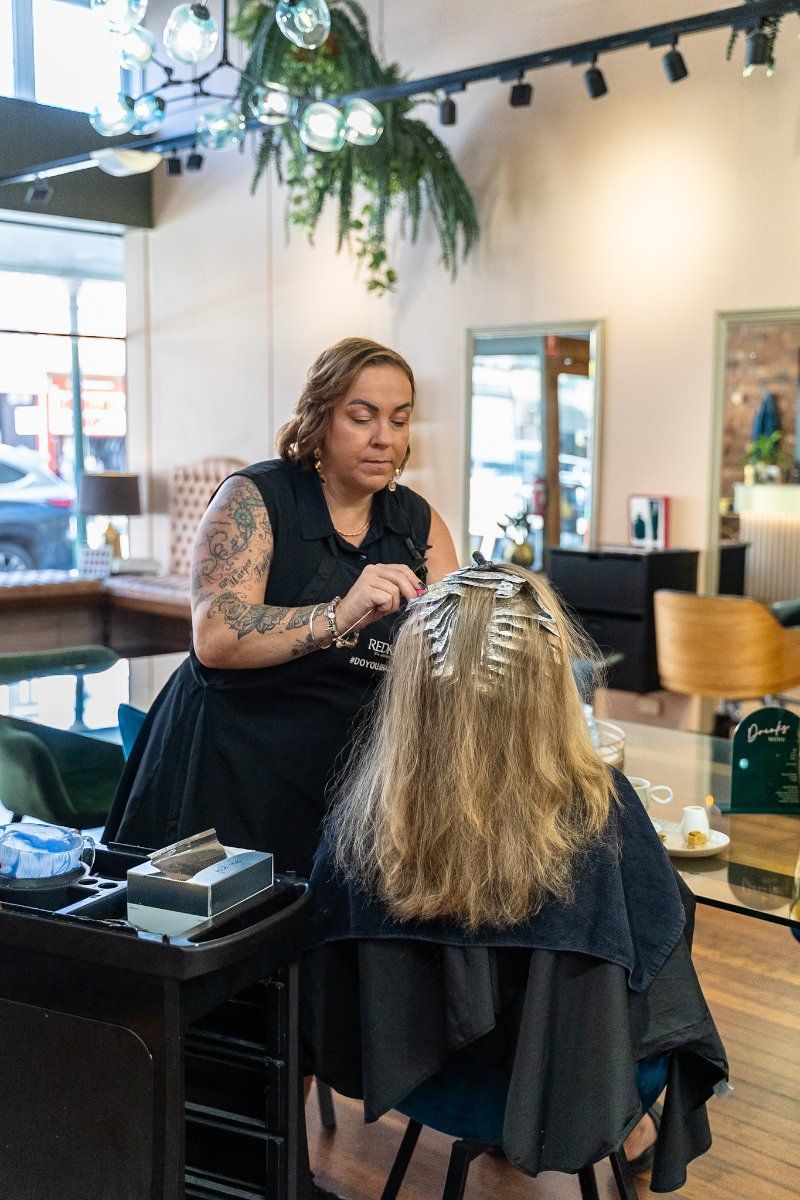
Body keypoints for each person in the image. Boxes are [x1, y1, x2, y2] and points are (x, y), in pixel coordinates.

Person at [303, 561, 729, 1194]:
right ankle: (629, 1132)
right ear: (551, 680)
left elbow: (329, 972)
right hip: (569, 1080)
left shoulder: (369, 811)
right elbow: (662, 946)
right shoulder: (599, 806)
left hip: (421, 1079)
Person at [103, 337, 459, 879]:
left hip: (345, 777)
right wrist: (338, 614)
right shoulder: (254, 499)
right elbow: (217, 637)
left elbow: (449, 649)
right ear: (320, 418)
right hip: (228, 768)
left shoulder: (417, 523)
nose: (384, 438)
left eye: (400, 420)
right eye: (362, 417)